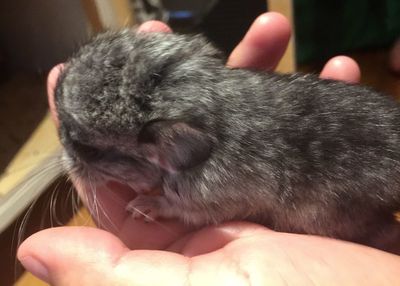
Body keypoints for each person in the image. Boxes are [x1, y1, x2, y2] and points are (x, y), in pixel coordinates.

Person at [18, 13, 400, 285]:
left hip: (346, 187)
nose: (70, 152)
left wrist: (167, 203)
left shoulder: (205, 176)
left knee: (321, 207)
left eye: (89, 148)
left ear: (168, 148)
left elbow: (214, 201)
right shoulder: (226, 96)